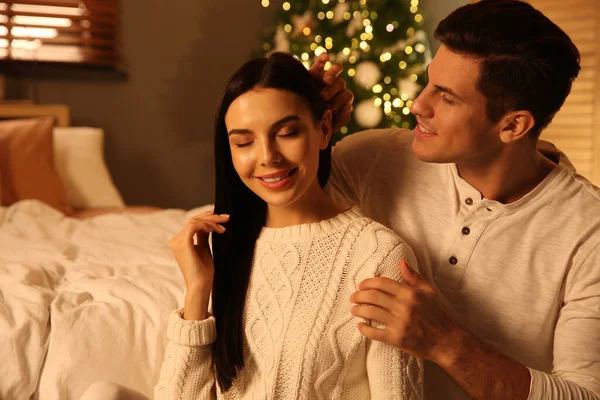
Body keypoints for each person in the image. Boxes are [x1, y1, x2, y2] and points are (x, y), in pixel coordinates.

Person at [309, 0, 600, 399]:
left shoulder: (591, 231)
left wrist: (445, 343)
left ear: (513, 125)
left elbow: (584, 394)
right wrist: (309, 127)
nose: (418, 105)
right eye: (429, 83)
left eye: (446, 98)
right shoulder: (371, 159)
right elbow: (270, 220)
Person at [154, 52, 423, 399]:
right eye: (244, 142)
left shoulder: (377, 256)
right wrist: (197, 290)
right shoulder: (228, 241)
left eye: (286, 132)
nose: (267, 156)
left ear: (324, 129)